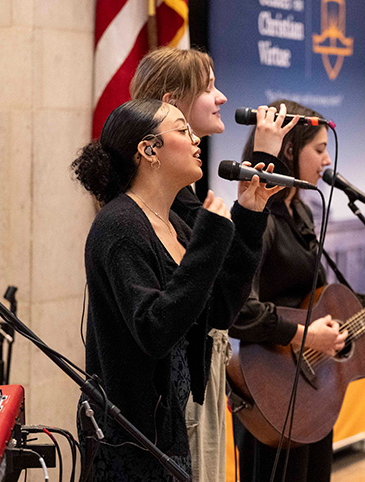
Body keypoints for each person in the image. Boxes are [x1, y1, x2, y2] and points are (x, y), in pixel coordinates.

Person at [71, 98, 281, 480]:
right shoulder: (120, 226)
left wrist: (248, 217)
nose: (196, 141)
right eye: (183, 131)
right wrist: (209, 241)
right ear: (149, 150)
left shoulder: (174, 226)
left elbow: (217, 310)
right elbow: (155, 329)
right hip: (130, 438)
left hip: (168, 430)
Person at [230, 99, 365, 482]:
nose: (326, 161)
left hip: (313, 392)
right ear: (289, 149)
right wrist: (303, 335)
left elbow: (329, 305)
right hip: (272, 387)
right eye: (319, 149)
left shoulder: (301, 212)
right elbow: (239, 309)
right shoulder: (258, 219)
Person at [129, 47, 298, 482]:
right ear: (170, 103)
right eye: (208, 88)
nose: (222, 97)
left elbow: (220, 301)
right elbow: (184, 312)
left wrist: (248, 208)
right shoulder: (134, 217)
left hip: (196, 375)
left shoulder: (180, 199)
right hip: (160, 403)